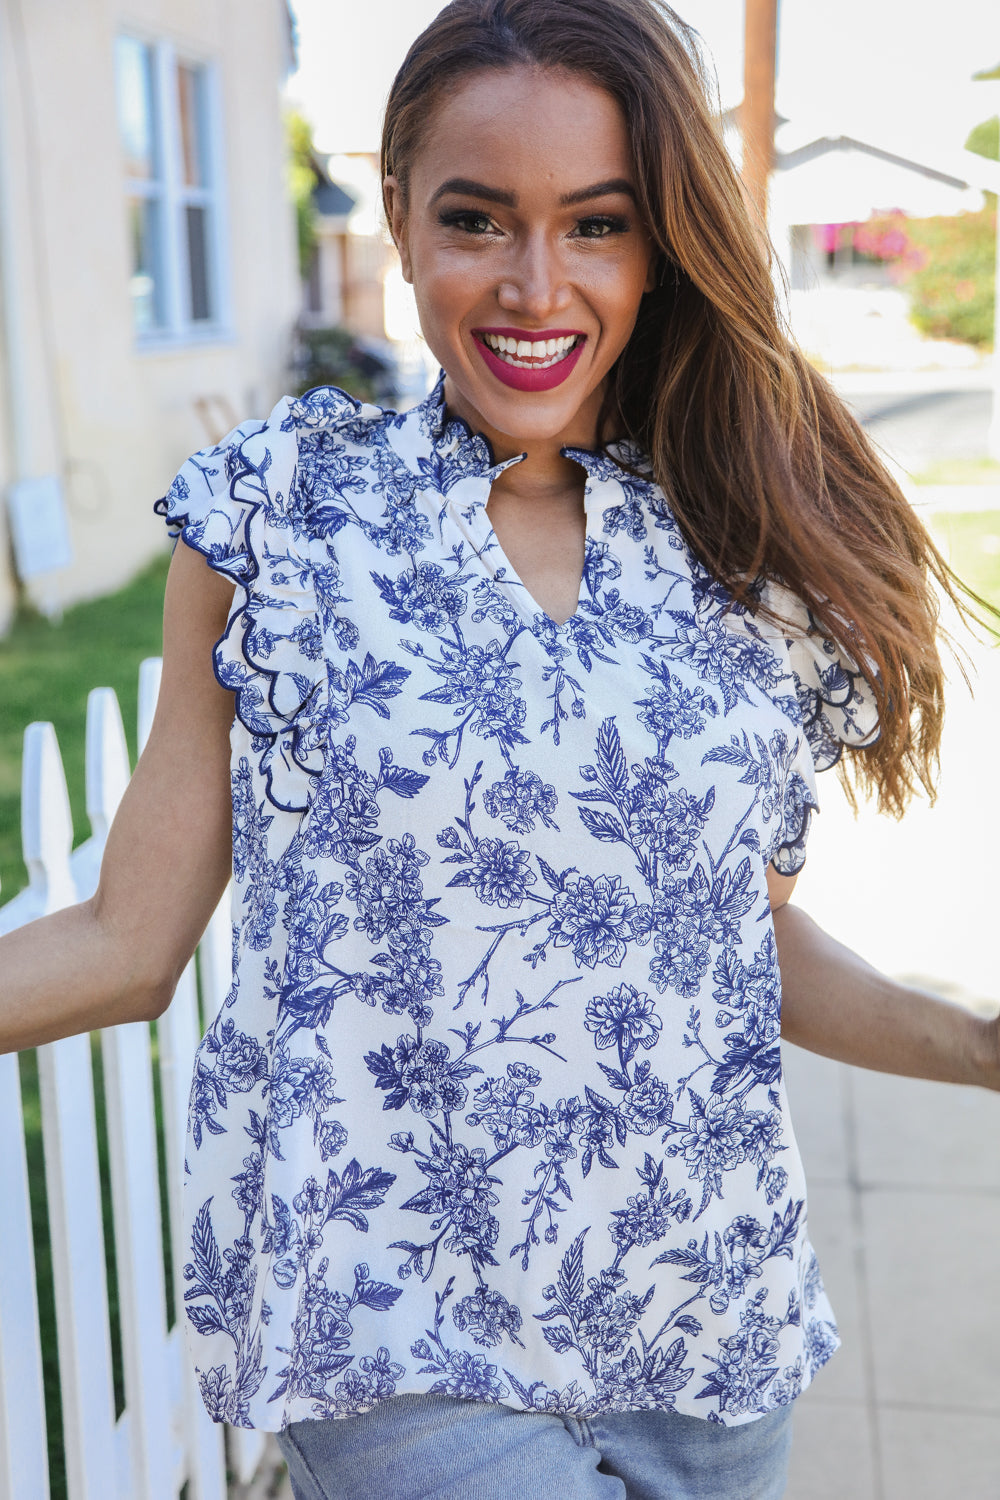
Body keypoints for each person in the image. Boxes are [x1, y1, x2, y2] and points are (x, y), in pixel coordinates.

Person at [2, 2, 998, 1496]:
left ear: (661, 244)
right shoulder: (278, 522)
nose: (539, 283)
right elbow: (131, 941)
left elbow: (737, 942)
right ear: (397, 212)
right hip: (402, 1337)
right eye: (479, 219)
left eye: (597, 225)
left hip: (707, 1317)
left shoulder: (750, 548)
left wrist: (980, 1049)